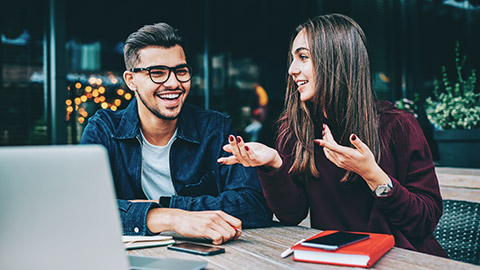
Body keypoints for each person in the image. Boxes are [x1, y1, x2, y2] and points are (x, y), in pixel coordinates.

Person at [218, 14, 448, 257]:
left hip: (404, 259)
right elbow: (292, 214)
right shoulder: (295, 129)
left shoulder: (398, 125)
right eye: (293, 59)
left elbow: (425, 222)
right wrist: (274, 164)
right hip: (334, 258)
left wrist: (374, 176)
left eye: (303, 57)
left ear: (336, 61)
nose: (291, 69)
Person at [80, 22, 272, 244]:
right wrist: (169, 218)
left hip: (209, 253)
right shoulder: (104, 129)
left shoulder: (215, 129)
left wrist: (169, 207)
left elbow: (254, 205)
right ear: (131, 81)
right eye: (157, 73)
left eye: (181, 71)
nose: (173, 83)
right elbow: (83, 208)